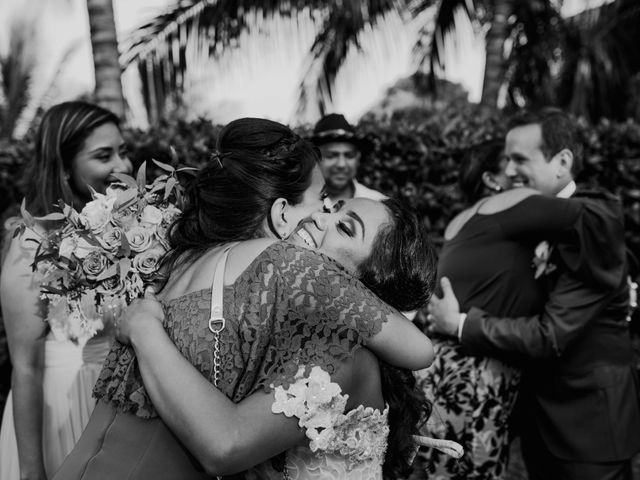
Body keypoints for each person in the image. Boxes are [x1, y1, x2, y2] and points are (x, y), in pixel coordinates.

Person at [54, 118, 437, 480]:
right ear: (281, 212)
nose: (320, 217)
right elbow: (419, 350)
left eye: (341, 223)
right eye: (325, 203)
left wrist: (143, 327)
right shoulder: (284, 271)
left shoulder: (185, 259)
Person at [429, 108, 640, 480]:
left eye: (520, 159)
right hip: (537, 420)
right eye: (507, 159)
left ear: (561, 162)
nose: (508, 170)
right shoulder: (532, 221)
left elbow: (551, 334)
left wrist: (459, 324)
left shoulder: (590, 224)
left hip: (587, 425)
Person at [413, 139, 589, 479]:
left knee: (439, 469)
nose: (519, 172)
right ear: (493, 179)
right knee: (475, 469)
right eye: (512, 163)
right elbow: (585, 214)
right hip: (478, 371)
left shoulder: (464, 222)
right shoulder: (511, 206)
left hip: (441, 365)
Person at [0, 101, 133, 480]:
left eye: (123, 151)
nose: (122, 165)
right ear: (63, 165)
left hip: (124, 404)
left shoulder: (128, 230)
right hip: (64, 406)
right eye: (104, 155)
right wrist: (31, 471)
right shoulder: (30, 244)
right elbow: (24, 366)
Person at [310, 113, 386, 203]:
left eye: (349, 155)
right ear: (314, 158)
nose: (341, 164)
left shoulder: (378, 203)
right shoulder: (298, 207)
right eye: (331, 156)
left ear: (358, 158)